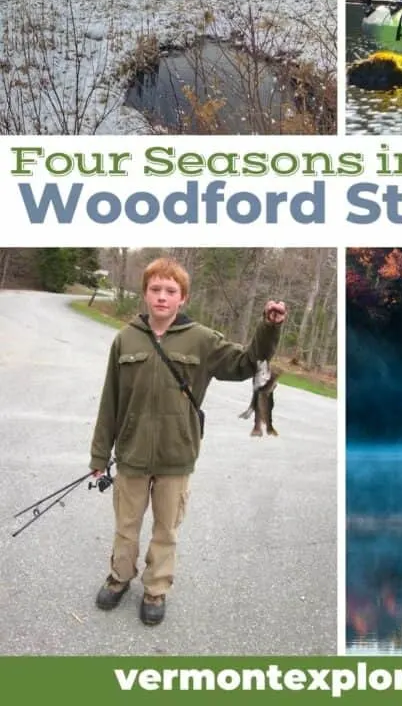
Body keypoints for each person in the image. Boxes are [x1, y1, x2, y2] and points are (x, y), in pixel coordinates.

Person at [89, 256, 287, 626]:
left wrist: (268, 327)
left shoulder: (202, 339)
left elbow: (246, 362)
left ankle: (156, 589)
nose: (162, 296)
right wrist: (100, 454)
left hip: (177, 455)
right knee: (126, 525)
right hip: (130, 453)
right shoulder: (126, 338)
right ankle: (119, 578)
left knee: (166, 529)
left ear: (183, 298)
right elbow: (110, 401)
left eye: (171, 291)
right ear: (145, 293)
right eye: (155, 289)